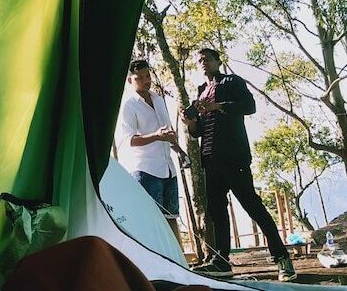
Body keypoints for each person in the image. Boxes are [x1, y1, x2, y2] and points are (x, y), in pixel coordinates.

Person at [182, 48, 297, 282]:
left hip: (234, 156)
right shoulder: (201, 91)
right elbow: (198, 132)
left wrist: (218, 106)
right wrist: (191, 122)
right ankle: (221, 261)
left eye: (207, 59)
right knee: (217, 211)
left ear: (217, 61)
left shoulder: (231, 81)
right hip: (210, 158)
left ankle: (282, 259)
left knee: (252, 206)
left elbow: (249, 106)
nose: (203, 63)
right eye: (200, 60)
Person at [115, 59, 189, 246]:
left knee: (172, 217)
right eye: (140, 78)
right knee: (150, 221)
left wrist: (180, 151)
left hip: (168, 168)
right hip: (146, 170)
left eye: (148, 76)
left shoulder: (158, 99)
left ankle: (179, 265)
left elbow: (166, 132)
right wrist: (156, 136)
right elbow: (129, 140)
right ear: (130, 80)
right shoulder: (128, 105)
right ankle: (156, 266)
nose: (146, 80)